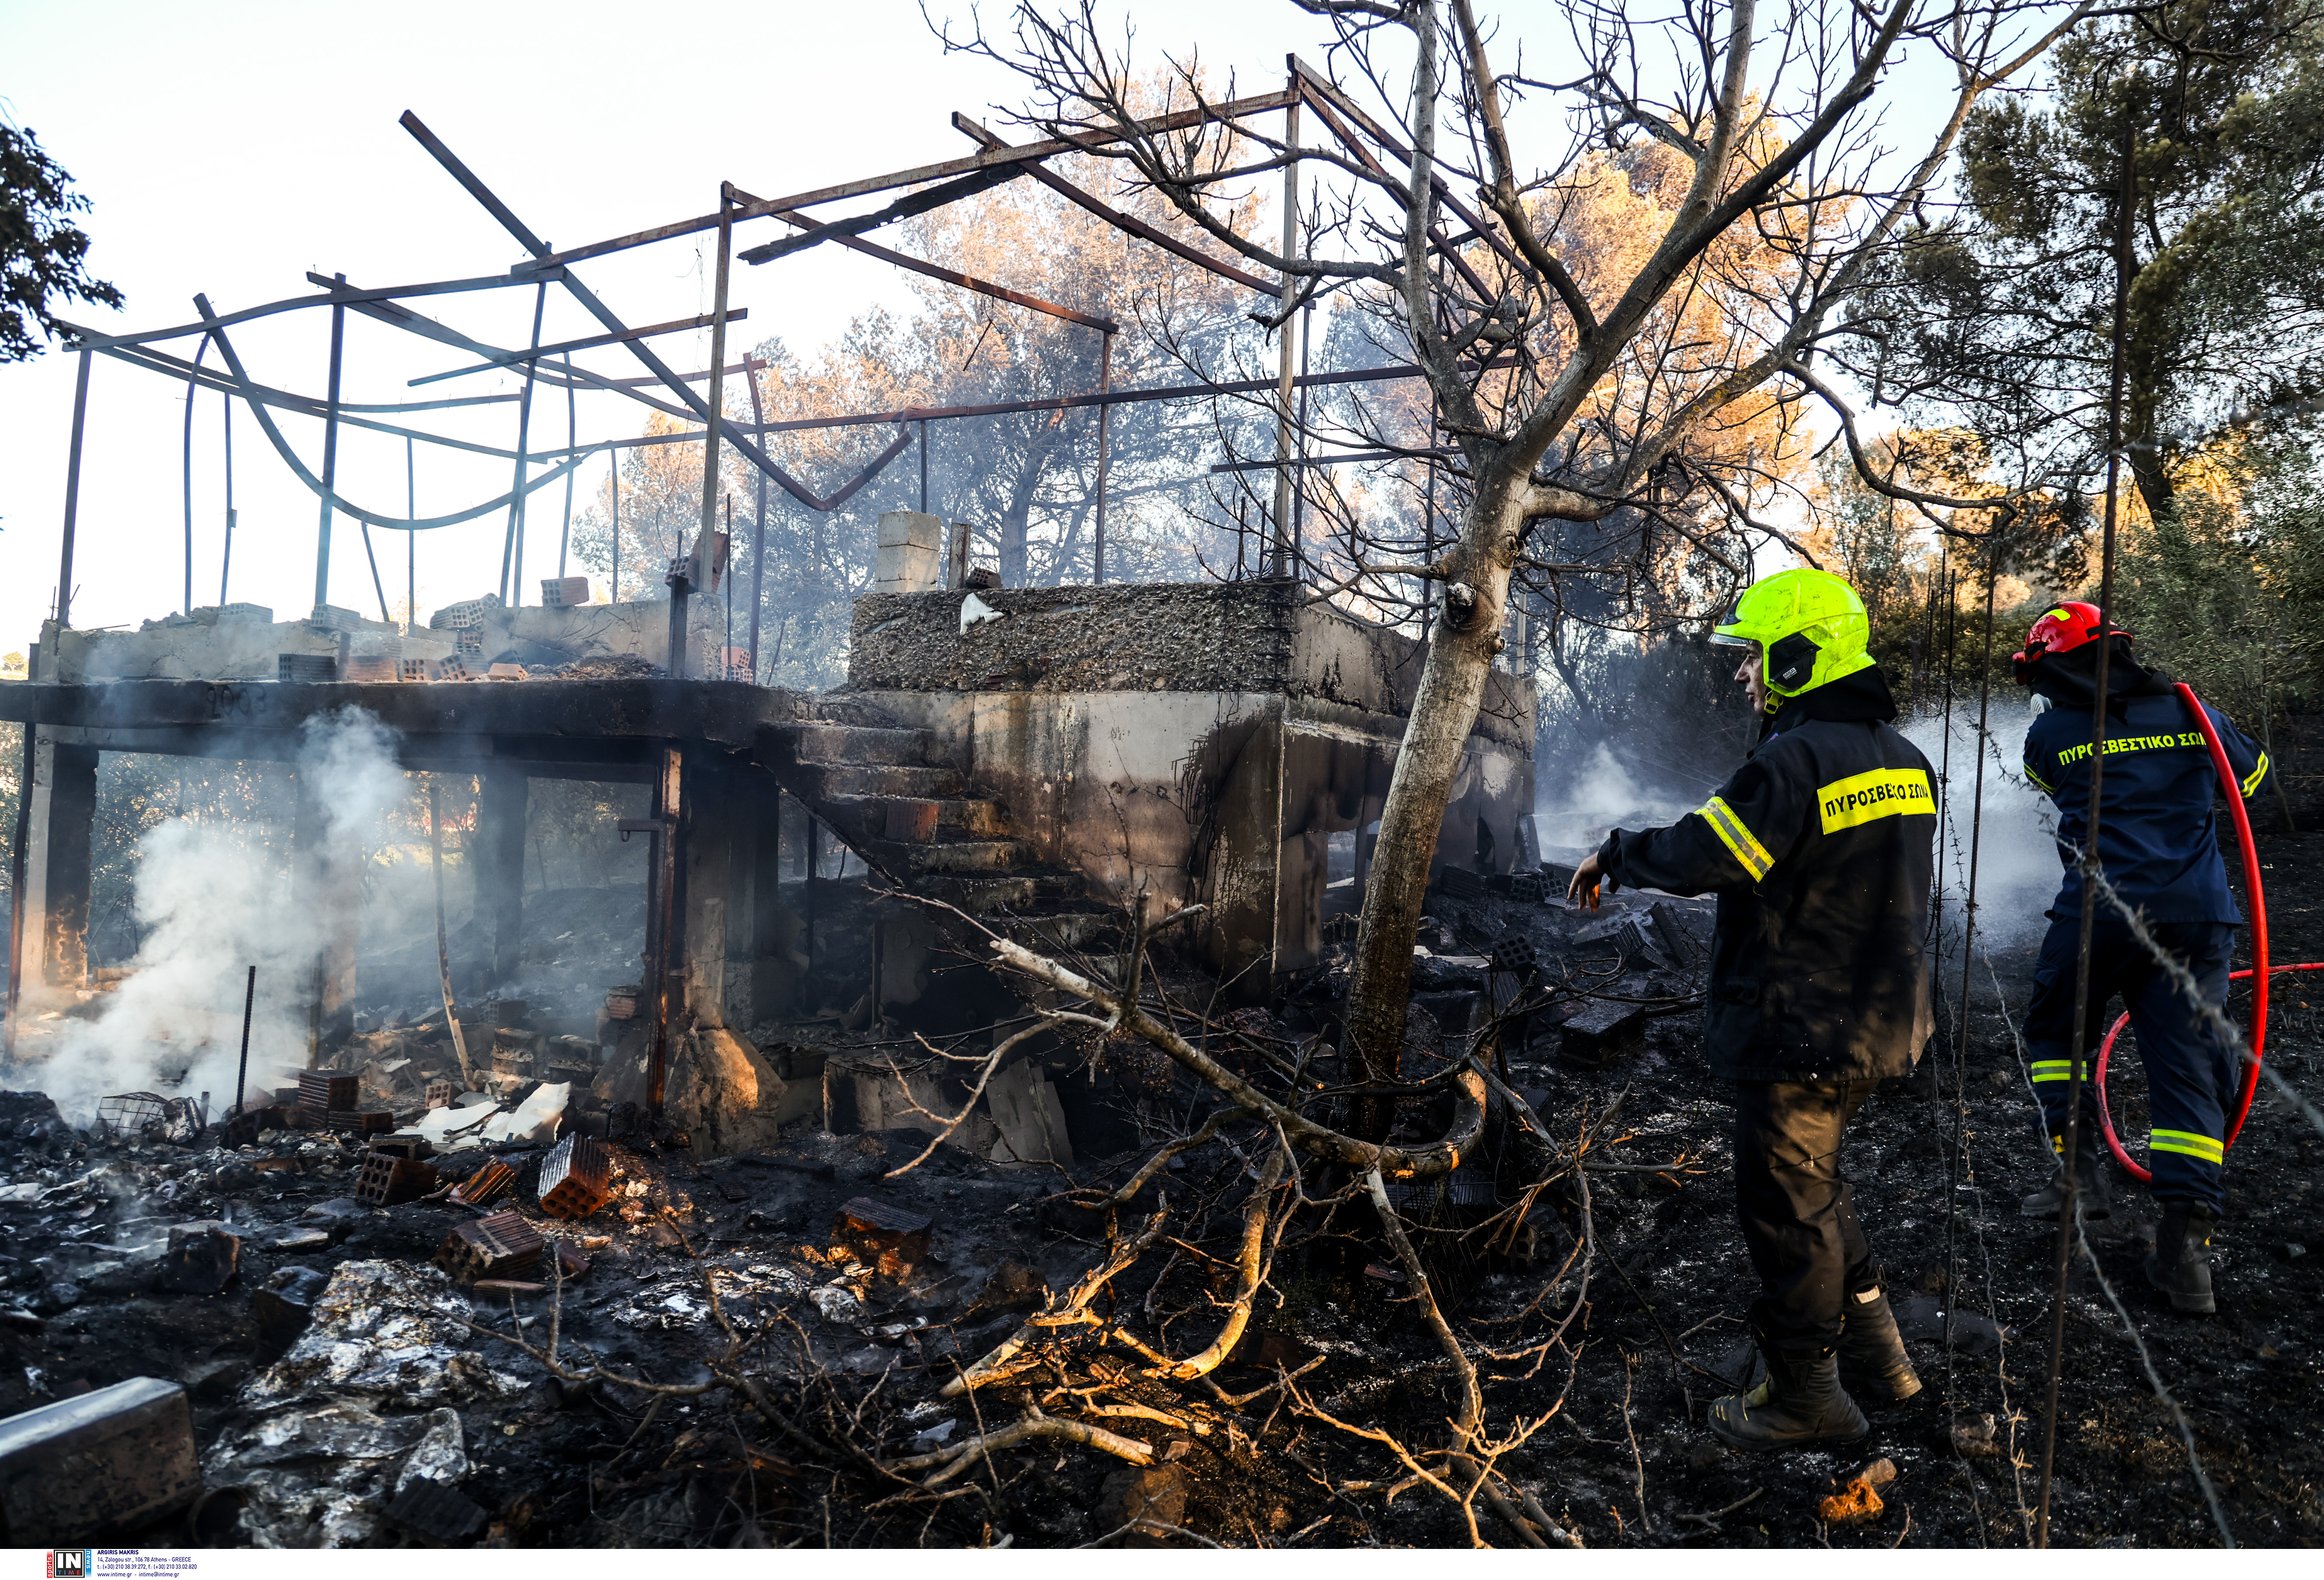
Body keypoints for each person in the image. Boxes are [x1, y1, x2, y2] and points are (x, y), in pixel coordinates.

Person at [1566, 567, 1933, 1452]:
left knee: (1787, 1211)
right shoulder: (1905, 758)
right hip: (1875, 1024)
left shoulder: (1792, 759)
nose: (1743, 676)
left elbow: (1707, 854)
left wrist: (1619, 850)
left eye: (1754, 658)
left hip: (1798, 1031)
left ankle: (1809, 1395)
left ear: (1801, 660)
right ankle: (1885, 1360)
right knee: (1819, 1189)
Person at [2011, 602, 2269, 1315]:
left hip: (2098, 913)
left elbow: (2049, 785)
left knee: (2055, 1031)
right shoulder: (2195, 712)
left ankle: (2079, 1177)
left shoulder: (2051, 732)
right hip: (2196, 914)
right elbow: (2250, 781)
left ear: (2053, 668)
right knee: (2187, 1067)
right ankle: (2187, 1254)